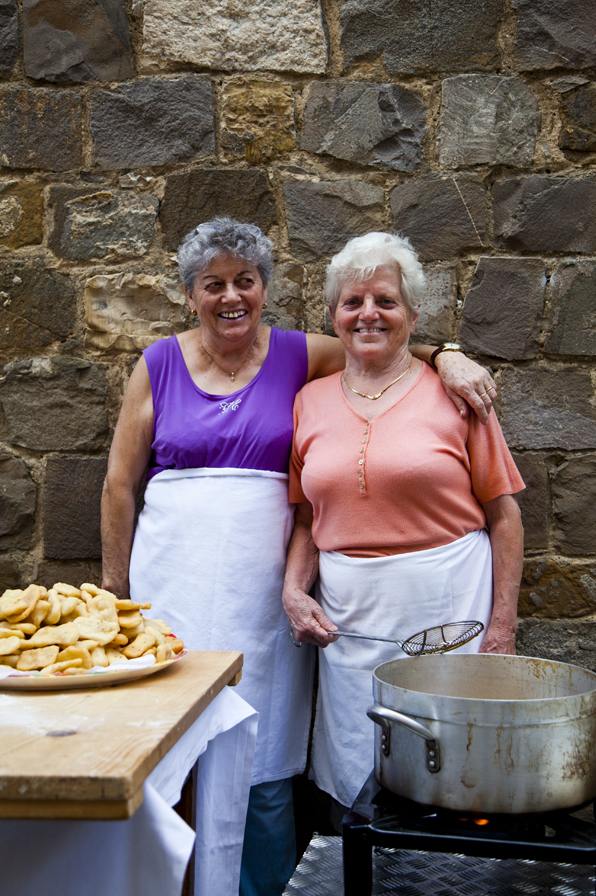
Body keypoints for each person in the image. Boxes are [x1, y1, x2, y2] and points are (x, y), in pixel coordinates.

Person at [101, 218, 499, 896]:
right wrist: (114, 596)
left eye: (245, 282)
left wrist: (451, 354)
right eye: (213, 284)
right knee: (165, 735)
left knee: (260, 737)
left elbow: (382, 342)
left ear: (265, 289)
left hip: (264, 594)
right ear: (190, 294)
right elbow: (117, 483)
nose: (231, 297)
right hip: (170, 584)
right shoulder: (158, 363)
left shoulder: (296, 355)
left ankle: (261, 886)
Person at [284, 231, 525, 815]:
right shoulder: (308, 400)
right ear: (335, 316)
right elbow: (307, 515)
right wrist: (293, 589)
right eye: (353, 302)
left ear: (413, 316)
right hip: (350, 618)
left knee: (453, 766)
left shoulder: (458, 394)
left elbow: (505, 516)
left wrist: (502, 630)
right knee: (358, 763)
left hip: (447, 608)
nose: (368, 314)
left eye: (385, 301)